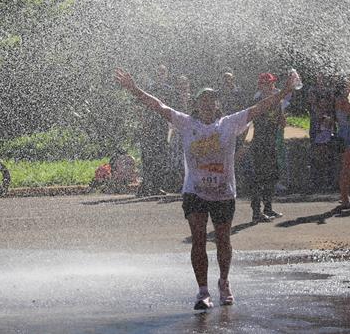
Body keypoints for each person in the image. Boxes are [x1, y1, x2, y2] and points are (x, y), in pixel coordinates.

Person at [114, 67, 298, 310]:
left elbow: (260, 107)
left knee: (223, 240)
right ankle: (202, 291)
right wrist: (134, 89)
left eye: (211, 100)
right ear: (197, 104)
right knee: (198, 240)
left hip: (223, 193)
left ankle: (224, 282)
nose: (208, 104)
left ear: (217, 105)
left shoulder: (230, 123)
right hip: (195, 192)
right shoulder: (186, 123)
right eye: (203, 100)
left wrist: (285, 91)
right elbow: (159, 106)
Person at [249, 73, 285, 222]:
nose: (272, 86)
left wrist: (281, 119)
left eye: (272, 83)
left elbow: (280, 119)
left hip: (271, 142)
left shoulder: (277, 100)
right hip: (260, 143)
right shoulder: (258, 101)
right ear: (260, 86)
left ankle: (268, 208)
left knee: (272, 176)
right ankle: (256, 212)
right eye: (267, 84)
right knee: (259, 178)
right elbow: (258, 121)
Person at [139, 64, 174, 196]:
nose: (161, 75)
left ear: (167, 75)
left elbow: (172, 110)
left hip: (162, 126)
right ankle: (146, 185)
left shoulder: (169, 90)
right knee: (148, 156)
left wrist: (171, 125)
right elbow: (140, 107)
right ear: (155, 74)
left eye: (163, 72)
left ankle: (157, 186)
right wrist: (144, 124)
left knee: (161, 155)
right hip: (149, 125)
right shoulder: (149, 89)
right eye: (159, 72)